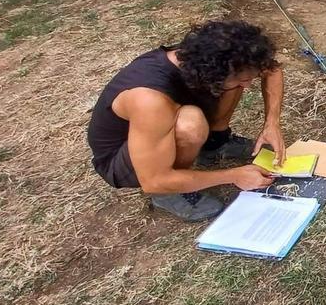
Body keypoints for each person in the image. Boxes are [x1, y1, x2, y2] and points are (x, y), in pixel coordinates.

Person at [87, 20, 285, 221]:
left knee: (230, 87)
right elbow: (154, 180)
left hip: (159, 128)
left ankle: (215, 144)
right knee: (190, 123)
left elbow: (272, 69)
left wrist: (272, 124)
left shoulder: (206, 58)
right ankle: (168, 195)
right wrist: (233, 175)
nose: (249, 85)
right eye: (244, 79)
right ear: (214, 74)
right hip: (125, 160)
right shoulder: (150, 100)